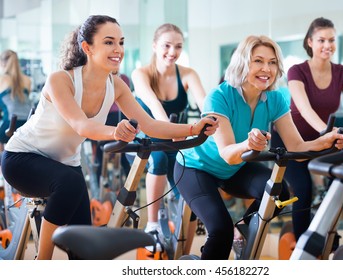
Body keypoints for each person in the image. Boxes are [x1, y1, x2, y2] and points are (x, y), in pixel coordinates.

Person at [0, 15, 218, 260]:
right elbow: (81, 125)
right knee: (70, 184)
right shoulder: (61, 79)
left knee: (84, 243)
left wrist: (193, 129)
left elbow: (150, 125)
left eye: (121, 42)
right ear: (87, 47)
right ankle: (43, 262)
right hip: (21, 158)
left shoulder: (117, 85)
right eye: (109, 42)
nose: (118, 50)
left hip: (65, 166)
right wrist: (115, 132)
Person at [173, 34, 343, 260]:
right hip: (196, 168)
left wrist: (325, 141)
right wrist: (248, 144)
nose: (266, 68)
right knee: (220, 231)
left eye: (272, 62)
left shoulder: (275, 99)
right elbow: (227, 153)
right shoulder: (218, 97)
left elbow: (296, 147)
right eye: (258, 61)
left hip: (234, 169)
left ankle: (244, 229)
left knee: (278, 192)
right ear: (243, 63)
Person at [270, 17, 343, 244]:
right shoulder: (297, 71)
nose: (327, 45)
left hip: (322, 139)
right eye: (321, 40)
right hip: (291, 140)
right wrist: (326, 132)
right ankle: (304, 246)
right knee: (302, 188)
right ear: (310, 42)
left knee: (342, 177)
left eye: (331, 40)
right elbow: (303, 108)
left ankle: (326, 233)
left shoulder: (342, 72)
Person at [130, 23, 206, 252]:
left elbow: (206, 105)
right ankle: (152, 224)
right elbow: (154, 107)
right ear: (155, 46)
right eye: (166, 45)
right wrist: (171, 130)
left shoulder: (188, 74)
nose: (172, 52)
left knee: (187, 179)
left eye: (178, 46)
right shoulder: (140, 73)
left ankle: (184, 246)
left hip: (173, 138)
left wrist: (215, 121)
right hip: (144, 137)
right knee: (160, 159)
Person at [0, 50, 32, 150]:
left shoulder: (2, 79)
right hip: (27, 126)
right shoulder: (27, 80)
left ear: (2, 62)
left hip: (10, 125)